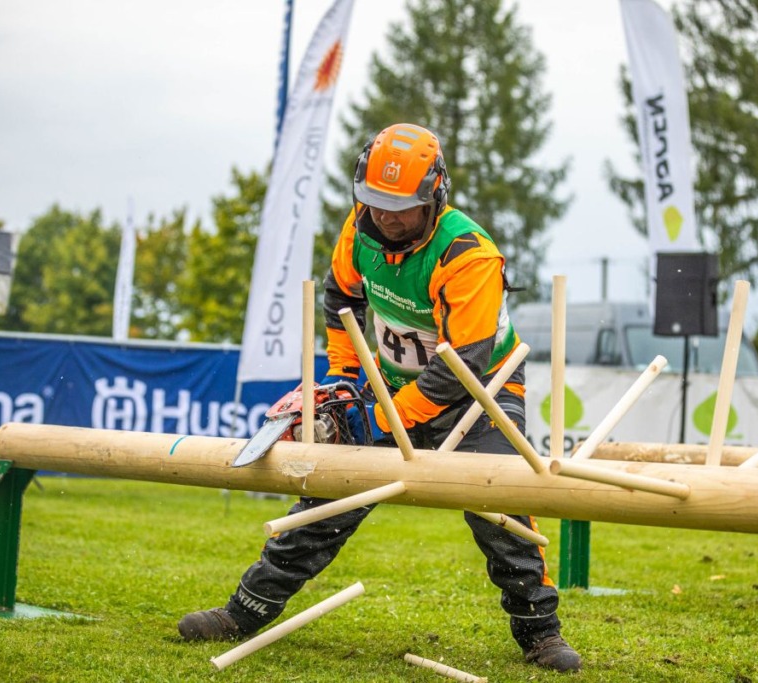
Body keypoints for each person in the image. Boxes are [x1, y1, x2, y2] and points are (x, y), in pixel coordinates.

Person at [178, 123, 581, 672]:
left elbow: (461, 366)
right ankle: (244, 611)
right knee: (326, 500)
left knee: (499, 503)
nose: (387, 217)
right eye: (374, 202)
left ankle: (541, 632)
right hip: (389, 382)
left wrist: (383, 422)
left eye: (401, 207)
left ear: (434, 196)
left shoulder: (469, 256)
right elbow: (339, 297)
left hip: (480, 392)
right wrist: (345, 381)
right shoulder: (359, 229)